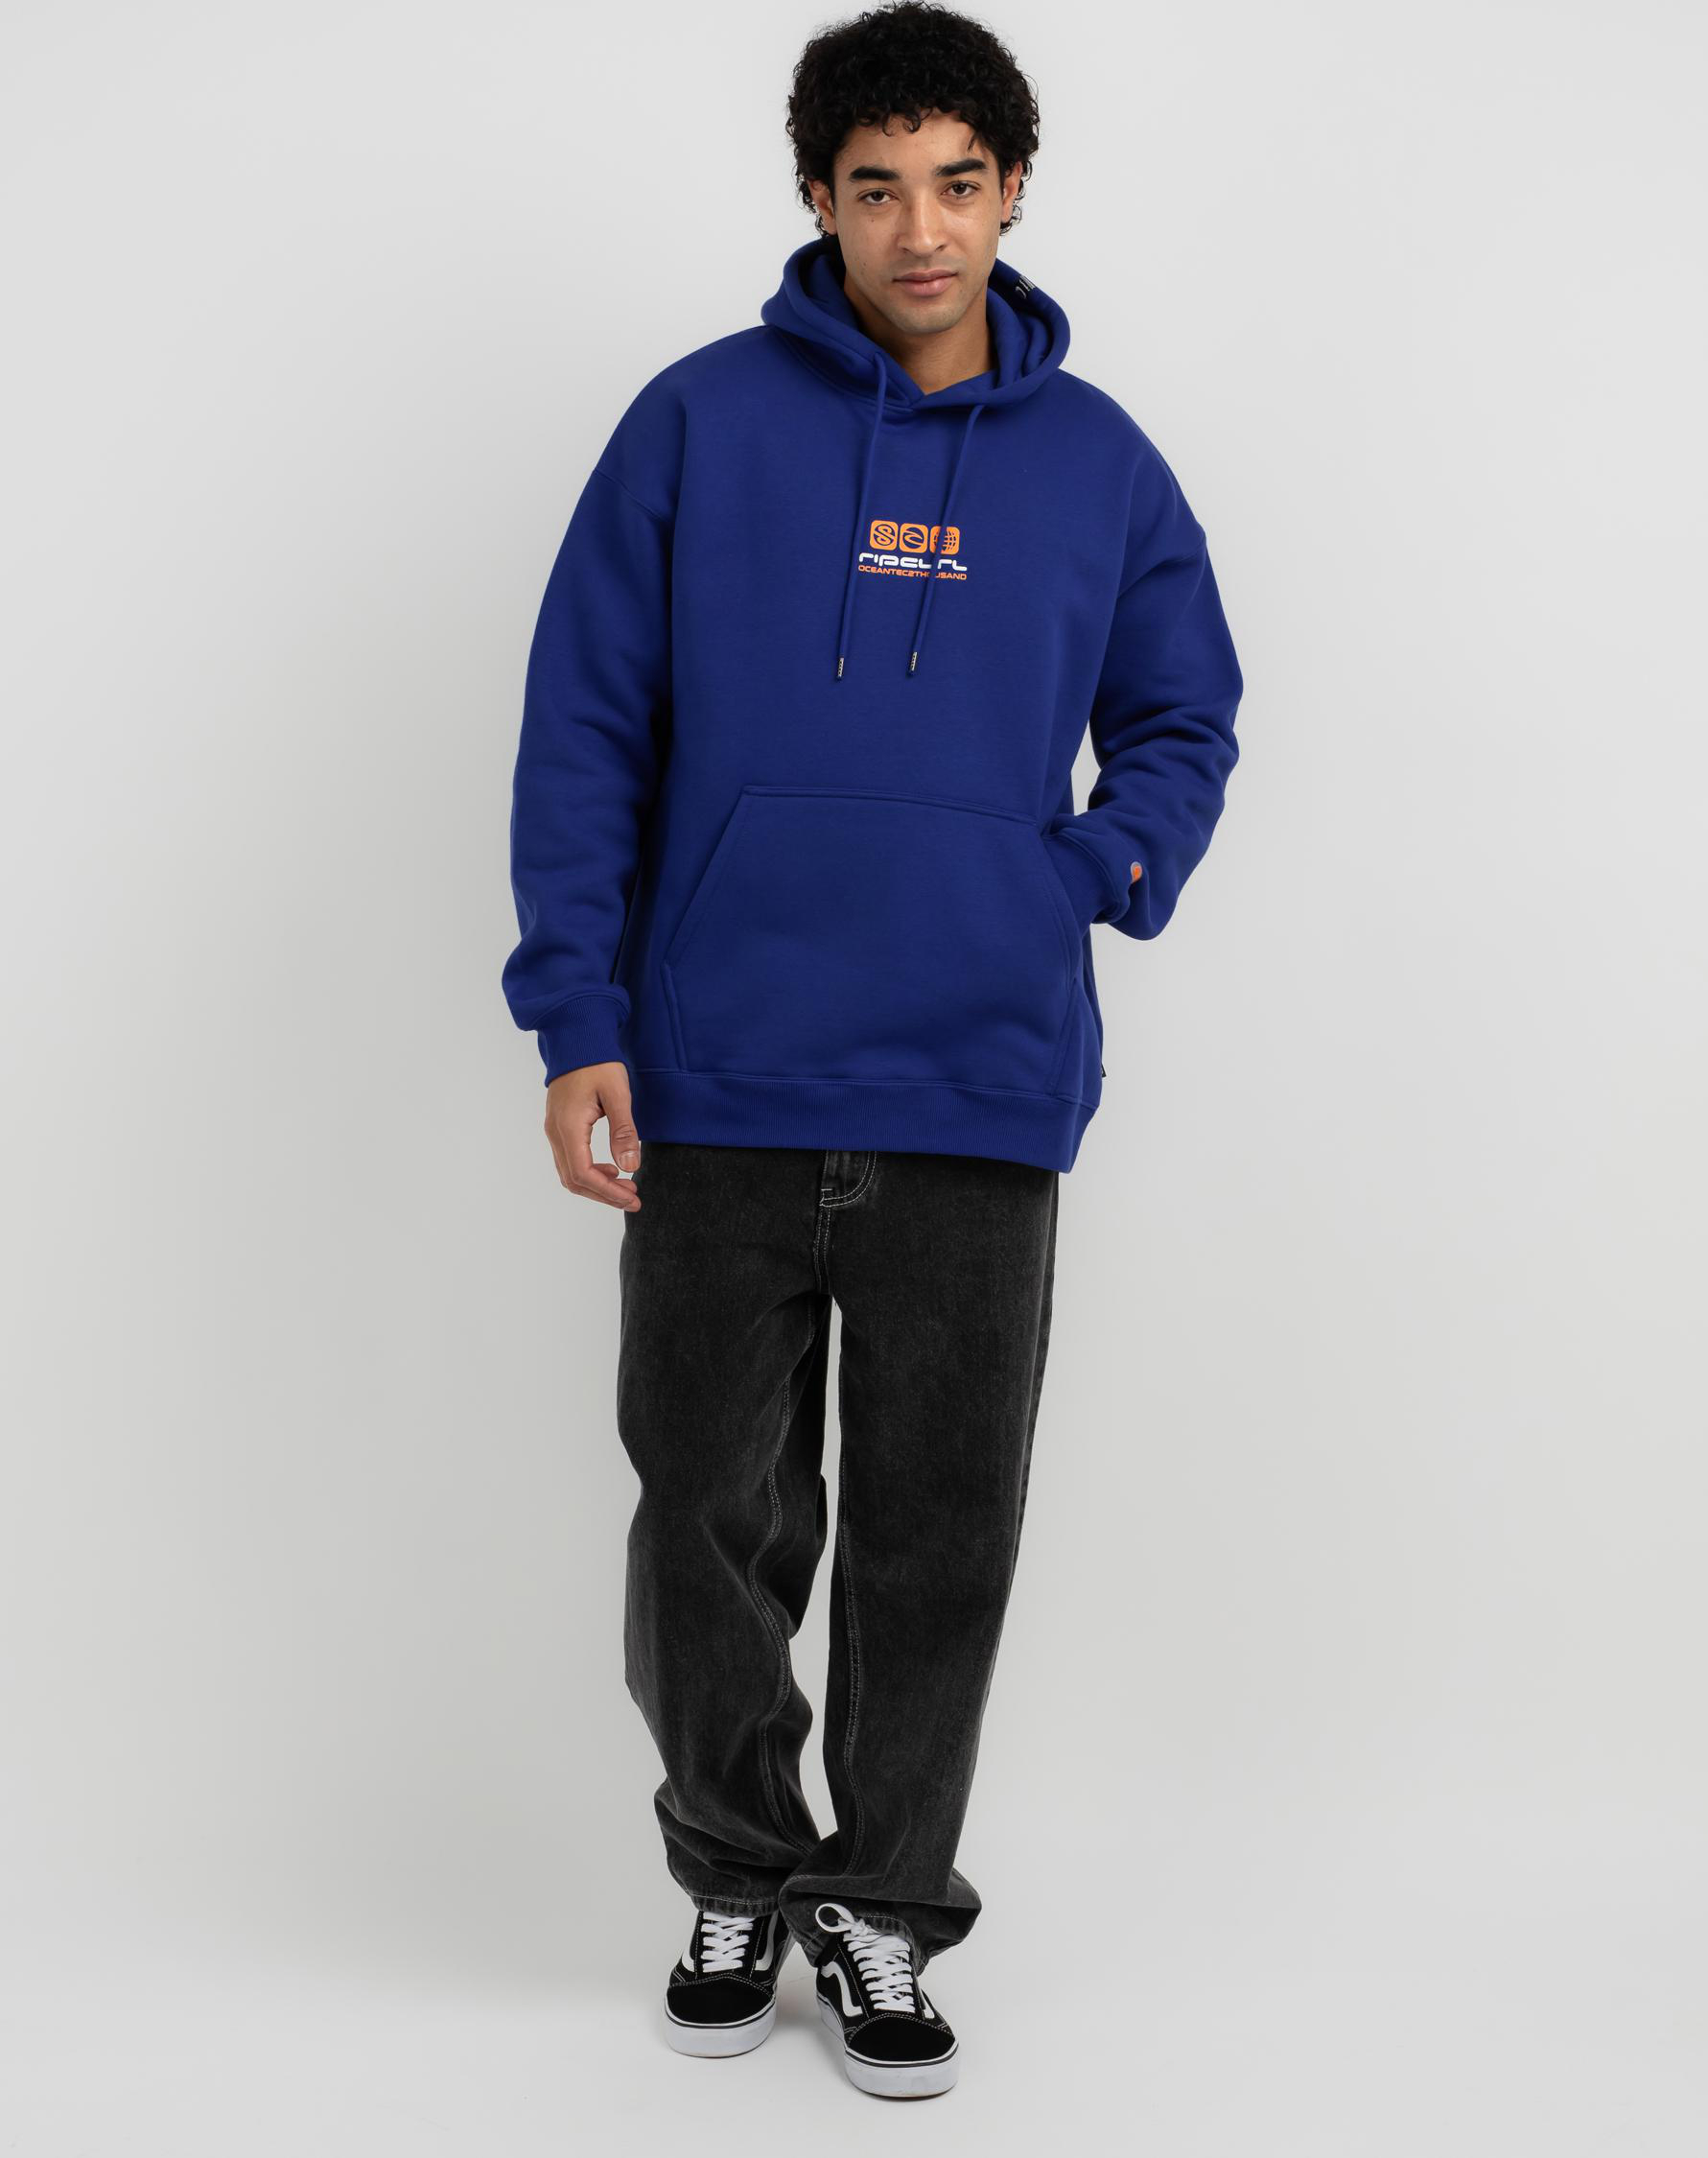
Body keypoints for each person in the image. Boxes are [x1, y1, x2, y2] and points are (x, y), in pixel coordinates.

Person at [502, 0, 1244, 2100]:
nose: (921, 229)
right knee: (705, 1517)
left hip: (977, 1077)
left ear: (1013, 193)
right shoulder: (695, 424)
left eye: (958, 184)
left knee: (941, 1529)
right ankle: (739, 1864)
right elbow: (586, 728)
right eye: (876, 186)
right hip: (718, 1067)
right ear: (818, 201)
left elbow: (1184, 713)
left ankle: (887, 1906)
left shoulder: (1102, 466)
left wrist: (1084, 868)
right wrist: (577, 1015)